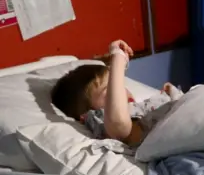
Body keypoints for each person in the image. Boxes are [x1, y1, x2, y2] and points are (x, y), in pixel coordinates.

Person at [51, 40, 183, 147]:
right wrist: (118, 59)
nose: (121, 91)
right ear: (85, 115)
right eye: (112, 90)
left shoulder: (140, 106)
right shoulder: (102, 119)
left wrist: (169, 94)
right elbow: (119, 126)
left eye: (119, 85)